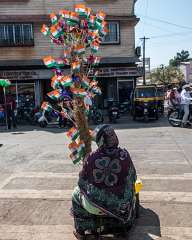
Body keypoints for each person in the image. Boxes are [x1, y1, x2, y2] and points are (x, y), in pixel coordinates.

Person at [72, 125, 137, 239]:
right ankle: (120, 229)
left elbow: (81, 182)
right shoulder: (124, 155)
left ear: (100, 141)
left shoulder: (92, 158)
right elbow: (133, 178)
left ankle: (81, 231)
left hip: (96, 207)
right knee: (130, 192)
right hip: (122, 207)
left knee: (75, 194)